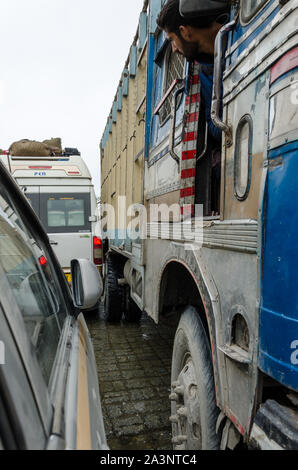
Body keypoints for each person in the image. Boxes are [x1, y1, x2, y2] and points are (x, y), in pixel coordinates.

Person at [157, 0, 230, 214]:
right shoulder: (205, 66)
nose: (174, 48)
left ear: (185, 32)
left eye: (172, 39)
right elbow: (213, 122)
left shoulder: (233, 41)